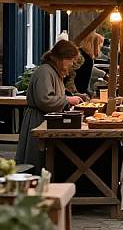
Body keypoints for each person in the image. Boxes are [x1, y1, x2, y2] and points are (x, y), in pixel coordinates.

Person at [16, 40, 83, 173]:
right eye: (70, 60)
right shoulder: (45, 72)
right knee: (35, 159)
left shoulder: (54, 71)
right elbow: (44, 100)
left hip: (46, 119)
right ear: (62, 58)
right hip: (38, 120)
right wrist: (67, 99)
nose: (72, 64)